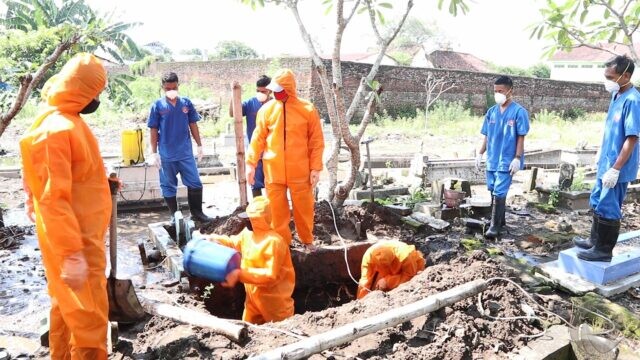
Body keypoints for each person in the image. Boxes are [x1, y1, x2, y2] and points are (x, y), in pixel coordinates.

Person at [20, 53, 111, 359]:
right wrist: (72, 254)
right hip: (76, 243)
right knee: (89, 318)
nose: (96, 100)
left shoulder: (70, 121)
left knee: (66, 307)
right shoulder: (55, 130)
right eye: (94, 93)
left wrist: (104, 184)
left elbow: (77, 176)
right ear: (81, 91)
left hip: (83, 239)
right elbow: (51, 199)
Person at [246, 69, 324, 251]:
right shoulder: (266, 110)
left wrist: (316, 168)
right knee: (276, 211)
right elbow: (257, 139)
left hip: (300, 170)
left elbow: (316, 141)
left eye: (278, 90)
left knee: (304, 209)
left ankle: (307, 240)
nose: (274, 93)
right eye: (273, 90)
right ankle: (283, 244)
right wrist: (251, 164)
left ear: (288, 89)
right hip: (274, 171)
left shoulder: (307, 109)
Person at [573, 55, 640, 262]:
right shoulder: (616, 95)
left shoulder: (632, 100)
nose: (607, 81)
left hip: (618, 167)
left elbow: (632, 138)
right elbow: (611, 129)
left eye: (611, 77)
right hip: (607, 161)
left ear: (626, 75)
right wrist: (600, 153)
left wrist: (616, 168)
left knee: (609, 206)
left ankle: (603, 250)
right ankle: (594, 241)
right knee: (597, 200)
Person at [210, 196, 295, 324]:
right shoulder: (248, 234)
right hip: (253, 298)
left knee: (282, 333)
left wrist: (239, 274)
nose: (247, 222)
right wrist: (214, 239)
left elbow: (269, 275)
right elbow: (233, 242)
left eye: (251, 219)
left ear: (260, 220)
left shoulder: (274, 242)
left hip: (275, 302)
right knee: (248, 329)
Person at [147, 72, 212, 223]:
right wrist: (154, 153)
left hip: (185, 153)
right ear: (163, 88)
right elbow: (153, 129)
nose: (171, 90)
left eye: (174, 87)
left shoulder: (186, 103)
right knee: (168, 185)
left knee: (195, 182)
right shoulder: (157, 105)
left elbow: (193, 124)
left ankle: (197, 213)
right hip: (166, 154)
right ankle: (174, 215)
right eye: (167, 88)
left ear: (178, 86)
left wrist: (200, 144)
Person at [475, 75, 530, 238]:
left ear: (510, 91)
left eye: (501, 91)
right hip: (492, 158)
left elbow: (521, 136)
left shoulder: (519, 112)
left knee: (500, 192)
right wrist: (480, 153)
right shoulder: (491, 112)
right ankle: (500, 221)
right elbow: (487, 135)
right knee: (492, 190)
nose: (497, 94)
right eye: (495, 91)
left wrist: (517, 158)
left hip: (507, 160)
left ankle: (494, 227)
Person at [228, 75, 272, 198]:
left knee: (273, 183)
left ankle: (272, 210)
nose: (260, 93)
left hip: (272, 150)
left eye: (263, 91)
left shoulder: (276, 105)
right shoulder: (251, 103)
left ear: (270, 91)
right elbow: (233, 113)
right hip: (255, 150)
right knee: (255, 181)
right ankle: (259, 209)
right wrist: (233, 95)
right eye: (258, 91)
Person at [357, 240, 425, 299]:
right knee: (377, 286)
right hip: (388, 273)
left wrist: (388, 281)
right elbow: (365, 281)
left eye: (386, 266)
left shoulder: (405, 255)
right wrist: (361, 300)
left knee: (407, 287)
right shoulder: (368, 257)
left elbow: (410, 276)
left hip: (413, 268)